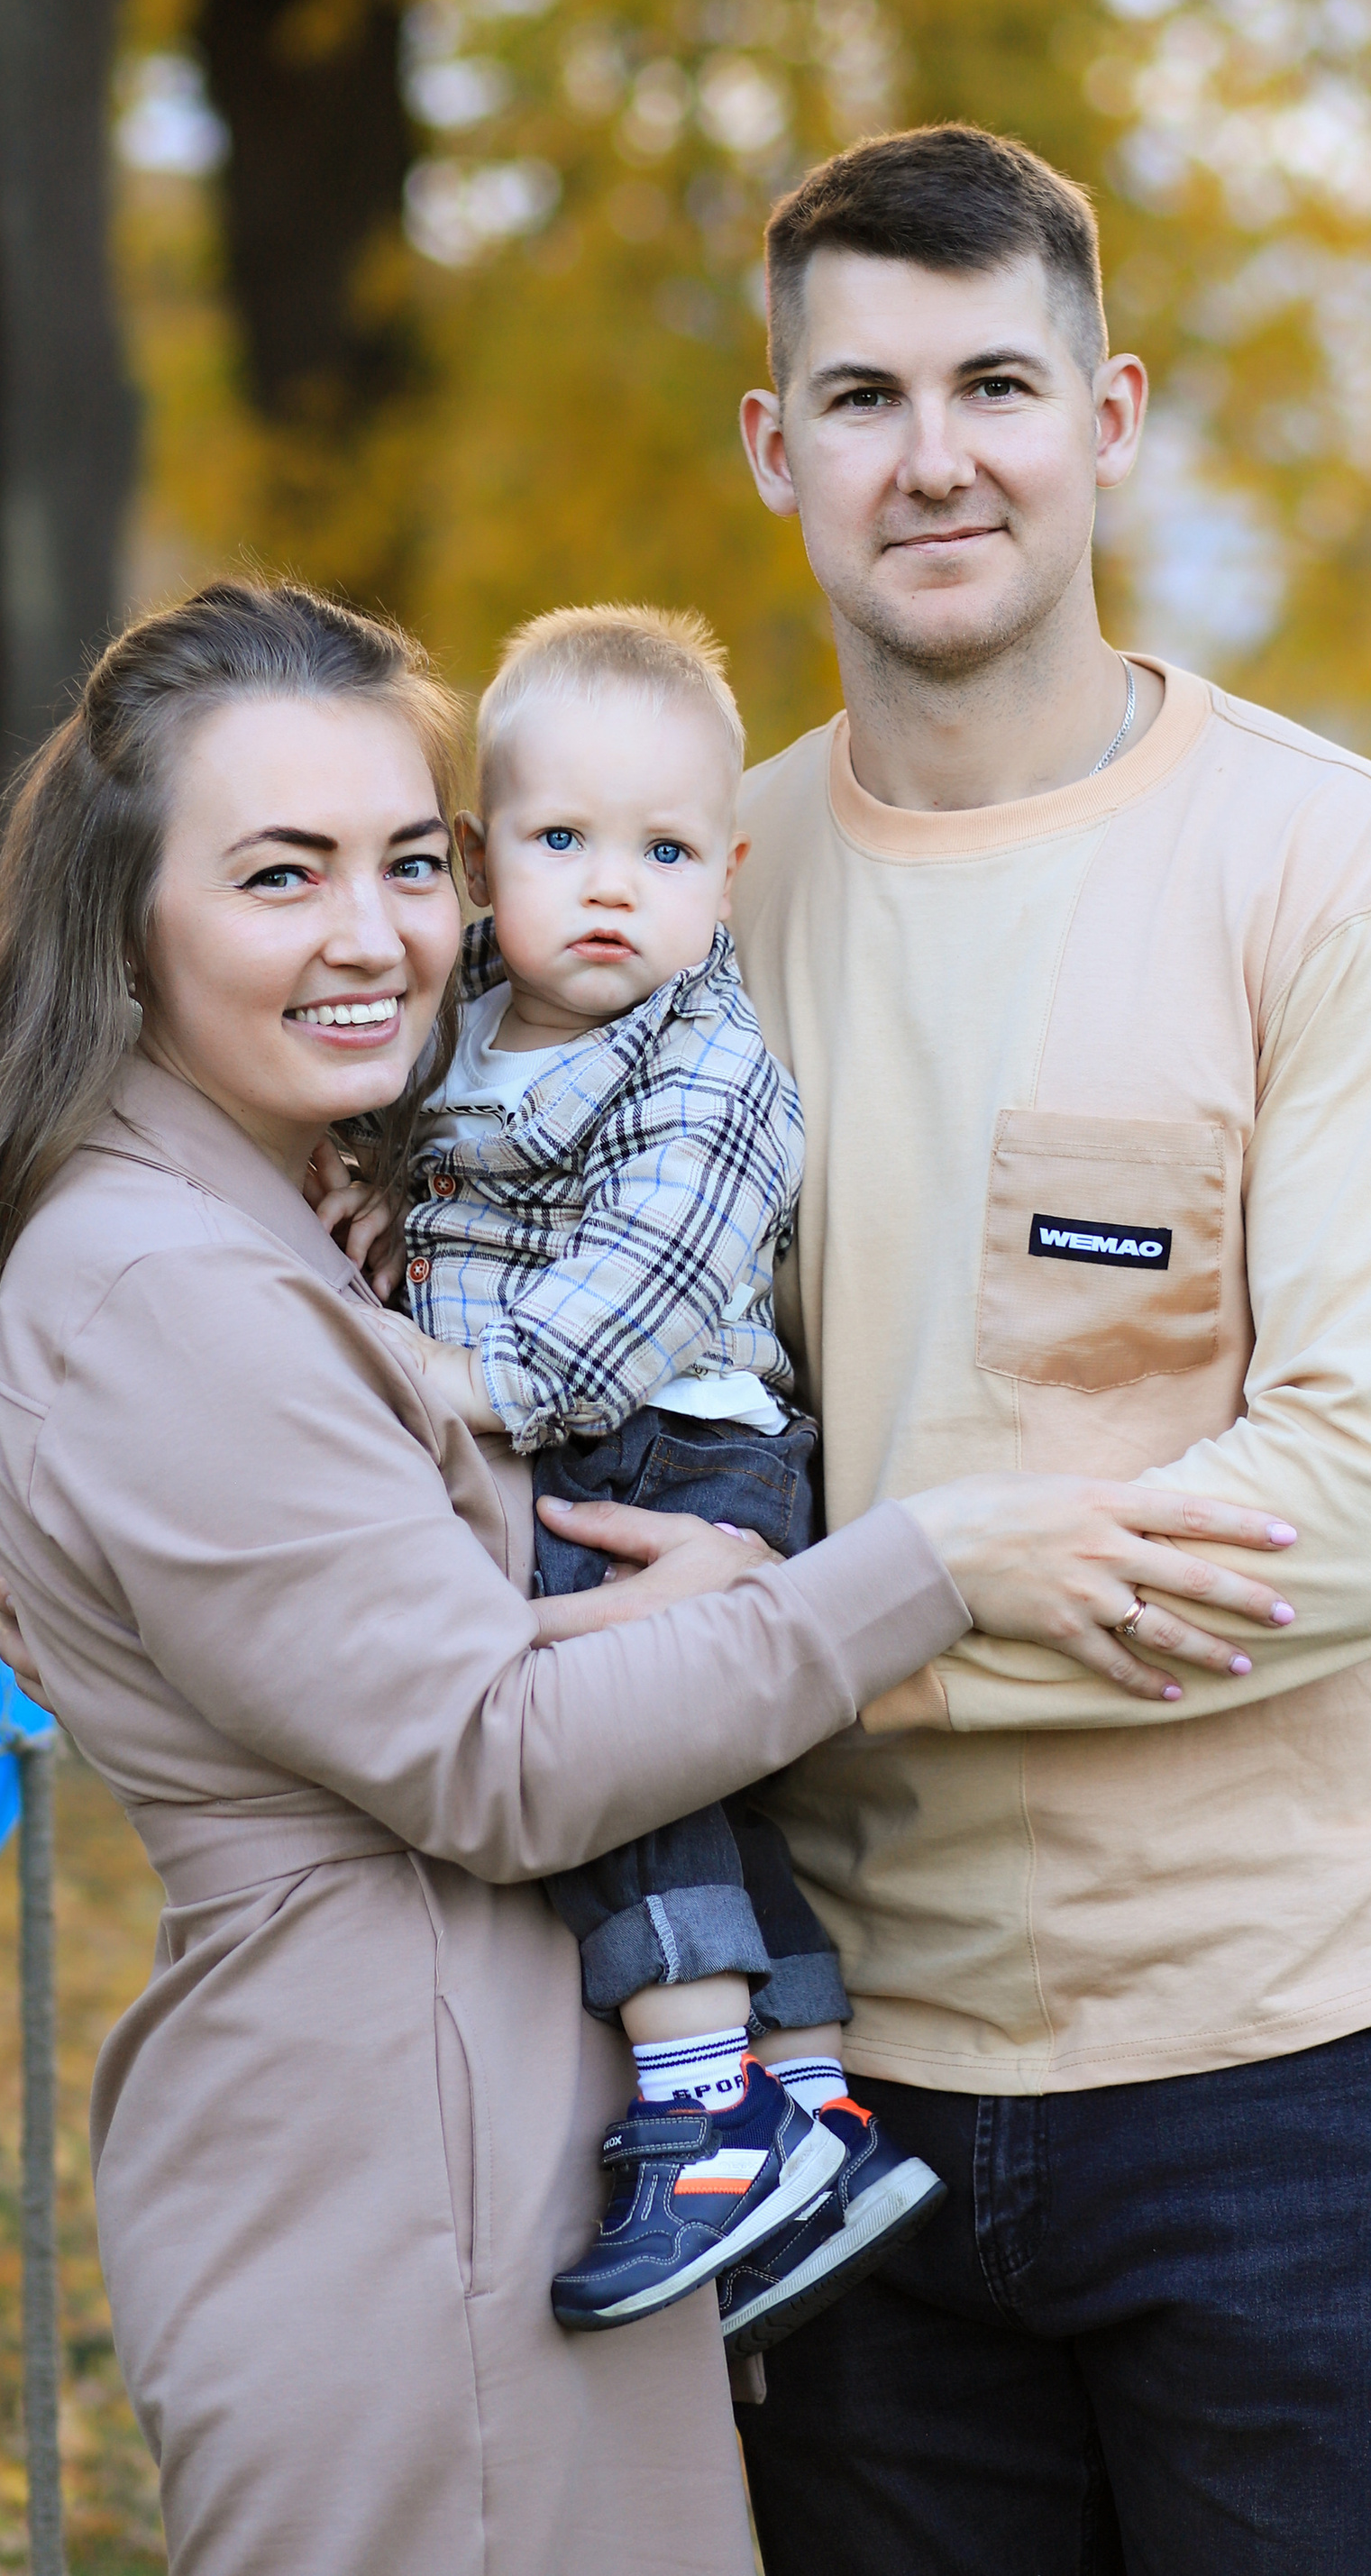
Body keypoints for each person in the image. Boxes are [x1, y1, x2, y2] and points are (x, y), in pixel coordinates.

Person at [0, 575, 1304, 2576]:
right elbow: (498, 1755)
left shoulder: (296, 1209)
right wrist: (921, 1565)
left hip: (504, 2166)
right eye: (280, 875)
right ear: (124, 917)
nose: (373, 934)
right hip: (405, 2206)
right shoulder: (160, 1282)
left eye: (408, 863)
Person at [721, 123, 1371, 2574]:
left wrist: (812, 1633)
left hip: (1284, 2090)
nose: (934, 457)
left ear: (1110, 418)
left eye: (995, 384)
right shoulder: (692, 901)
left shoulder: (1339, 875)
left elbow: (1370, 1505)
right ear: (773, 449)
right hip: (830, 2087)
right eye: (862, 398)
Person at [318, 604, 963, 2342]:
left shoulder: (709, 1062)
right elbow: (400, 1153)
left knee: (614, 1755)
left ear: (726, 877)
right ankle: (812, 2103)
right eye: (562, 843)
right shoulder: (460, 1022)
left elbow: (648, 1278)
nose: (613, 889)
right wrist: (369, 1190)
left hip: (670, 1444)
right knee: (713, 1800)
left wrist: (459, 1377)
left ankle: (701, 2111)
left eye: (665, 853)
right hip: (582, 1432)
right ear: (478, 863)